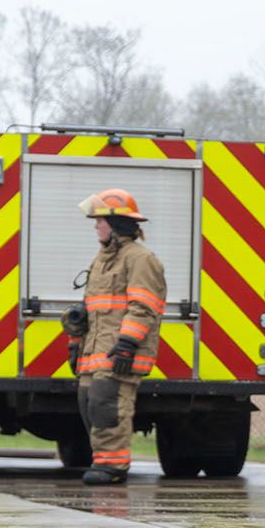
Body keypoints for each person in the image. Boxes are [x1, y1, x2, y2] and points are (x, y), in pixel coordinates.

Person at [66, 189, 166, 486]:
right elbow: (92, 310)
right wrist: (75, 341)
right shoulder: (101, 260)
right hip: (95, 351)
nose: (96, 226)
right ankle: (103, 459)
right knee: (89, 402)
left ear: (117, 224)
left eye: (100, 222)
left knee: (107, 404)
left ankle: (113, 466)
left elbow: (144, 306)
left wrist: (127, 344)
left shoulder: (140, 259)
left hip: (120, 351)